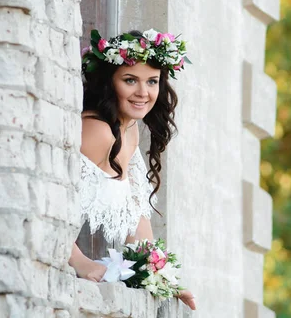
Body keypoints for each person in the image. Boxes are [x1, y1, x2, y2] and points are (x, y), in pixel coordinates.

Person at [68, 29, 196, 310]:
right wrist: (80, 262)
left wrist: (162, 278)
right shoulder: (97, 131)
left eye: (152, 81)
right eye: (130, 80)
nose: (143, 92)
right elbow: (52, 200)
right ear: (109, 83)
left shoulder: (130, 131)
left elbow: (136, 215)